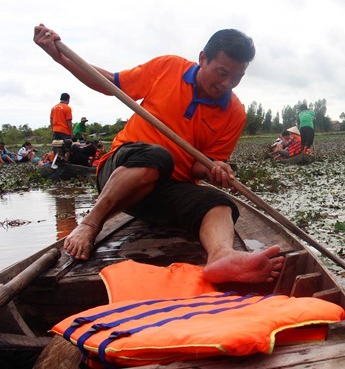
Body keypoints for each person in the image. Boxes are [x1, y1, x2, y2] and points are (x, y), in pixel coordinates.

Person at [34, 24, 283, 285]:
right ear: (202, 59)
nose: (227, 84)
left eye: (236, 77)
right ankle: (90, 224)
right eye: (222, 72)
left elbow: (199, 167)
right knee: (157, 157)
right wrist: (58, 56)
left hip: (164, 192)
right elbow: (111, 83)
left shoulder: (234, 113)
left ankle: (221, 257)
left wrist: (213, 169)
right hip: (121, 173)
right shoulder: (169, 68)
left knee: (218, 203)